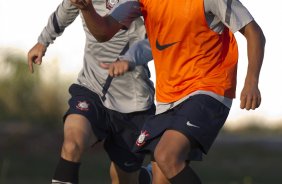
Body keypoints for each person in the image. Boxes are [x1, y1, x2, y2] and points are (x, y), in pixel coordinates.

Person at [69, 0, 266, 183]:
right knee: (160, 177)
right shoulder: (141, 2)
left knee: (167, 156)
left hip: (208, 88)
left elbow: (254, 31)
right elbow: (104, 31)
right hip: (167, 98)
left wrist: (251, 81)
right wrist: (87, 9)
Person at [27, 0, 155, 183]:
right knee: (71, 145)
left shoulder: (140, 3)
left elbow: (158, 38)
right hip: (91, 87)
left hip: (132, 103)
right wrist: (42, 41)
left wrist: (130, 60)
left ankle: (145, 177)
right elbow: (65, 10)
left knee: (124, 178)